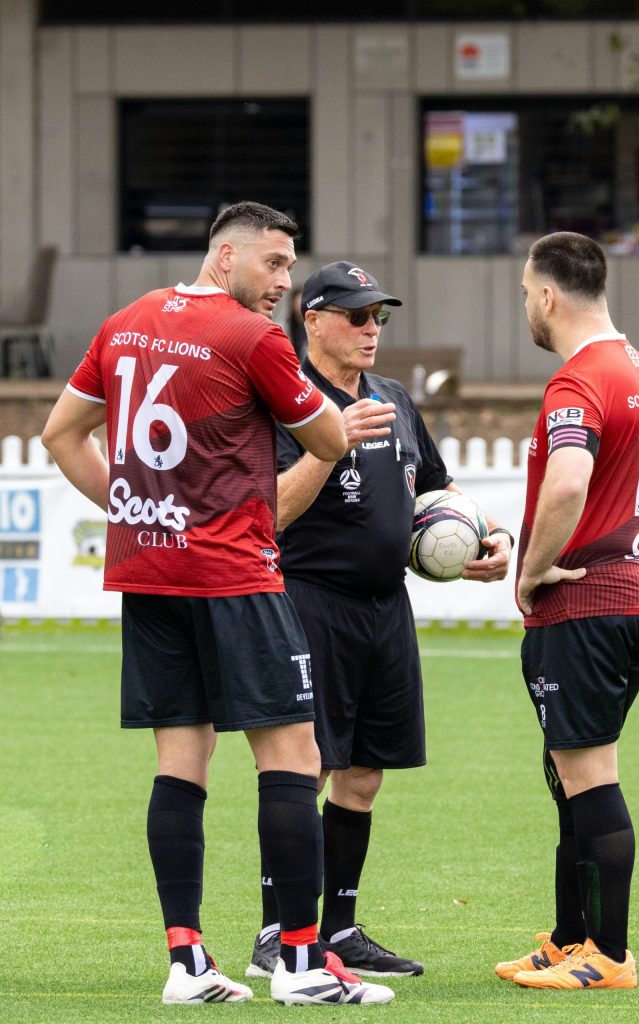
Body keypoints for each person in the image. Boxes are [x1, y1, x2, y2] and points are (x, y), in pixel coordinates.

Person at [41, 203, 396, 1008]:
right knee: (294, 758)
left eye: (289, 265)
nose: (283, 282)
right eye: (273, 263)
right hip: (234, 574)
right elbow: (331, 442)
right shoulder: (251, 338)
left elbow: (62, 435)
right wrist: (338, 427)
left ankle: (187, 962)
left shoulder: (125, 322)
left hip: (150, 572)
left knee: (181, 763)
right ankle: (302, 966)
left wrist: (139, 511)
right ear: (225, 255)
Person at [246, 260, 513, 980]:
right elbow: (267, 514)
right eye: (358, 316)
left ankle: (339, 929)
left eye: (380, 317)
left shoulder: (393, 398)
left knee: (364, 775)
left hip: (386, 608)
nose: (371, 330)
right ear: (313, 321)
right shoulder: (287, 399)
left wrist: (485, 533)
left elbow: (436, 485)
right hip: (308, 601)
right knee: (307, 767)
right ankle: (279, 930)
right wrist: (329, 444)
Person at [495, 232, 639, 990]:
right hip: (637, 594)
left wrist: (532, 572)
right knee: (569, 771)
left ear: (546, 296)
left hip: (588, 602)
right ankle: (572, 937)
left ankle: (609, 954)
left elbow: (569, 483)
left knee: (590, 776)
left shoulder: (578, 381)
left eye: (523, 296)